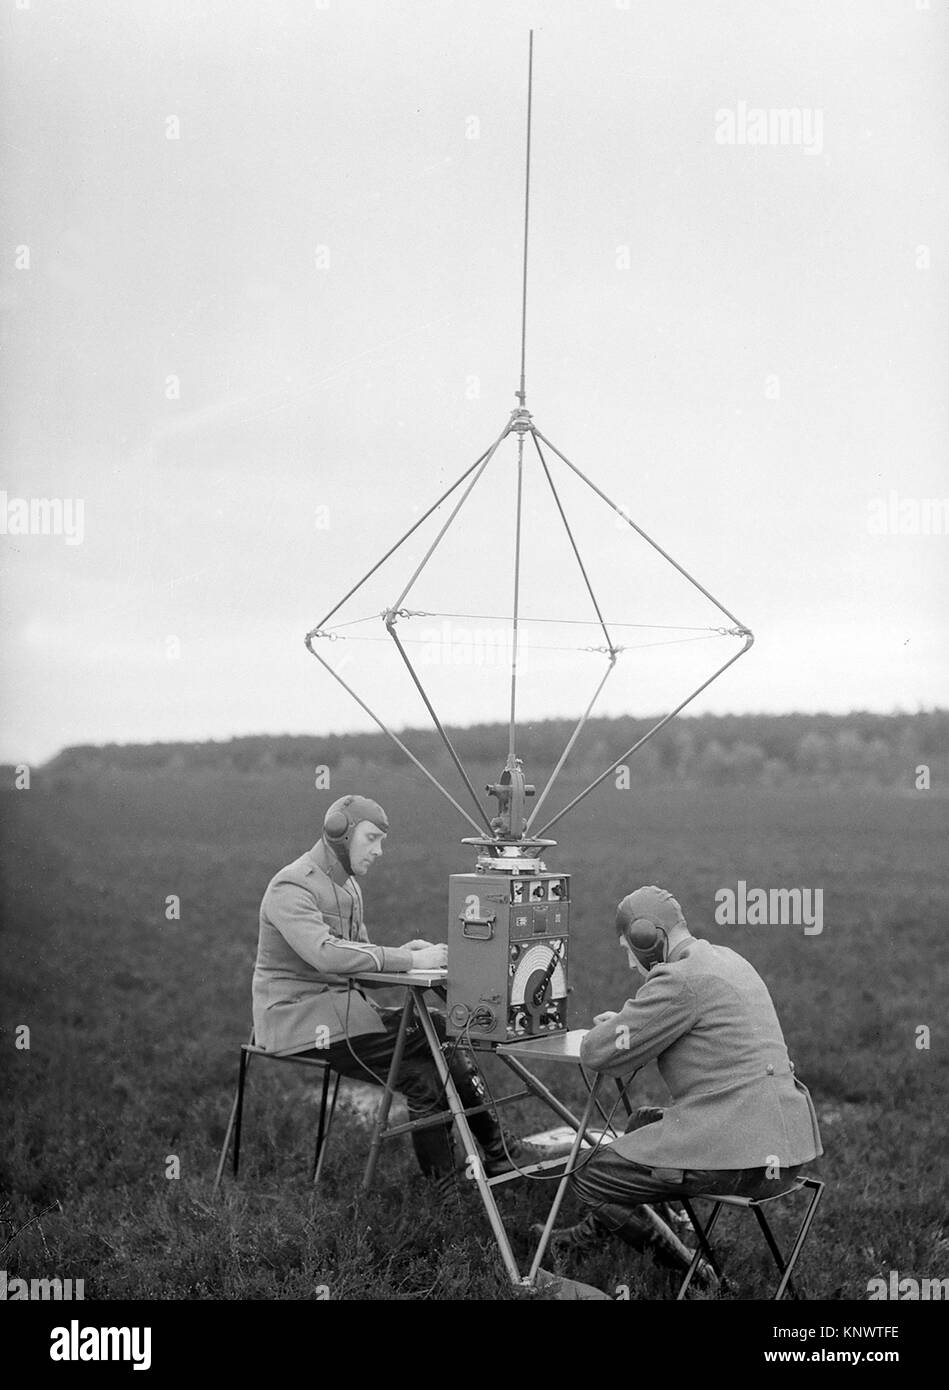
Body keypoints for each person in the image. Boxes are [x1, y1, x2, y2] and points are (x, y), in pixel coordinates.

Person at [542, 885, 823, 1282]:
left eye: (628, 948)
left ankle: (693, 1273)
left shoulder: (679, 979)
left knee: (590, 1176)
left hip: (742, 1159)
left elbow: (596, 1054)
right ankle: (594, 1235)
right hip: (787, 1147)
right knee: (641, 1122)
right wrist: (628, 1026)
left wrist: (613, 1029)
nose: (629, 962)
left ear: (646, 937)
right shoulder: (727, 960)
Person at [252, 793, 529, 1183]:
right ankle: (503, 1152)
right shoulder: (291, 886)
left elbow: (359, 965)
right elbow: (327, 955)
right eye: (371, 839)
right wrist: (412, 962)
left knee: (425, 1079)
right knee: (437, 1027)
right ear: (339, 835)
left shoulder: (347, 888)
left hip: (342, 1017)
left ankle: (445, 1195)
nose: (379, 851)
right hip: (300, 1022)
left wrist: (403, 953)